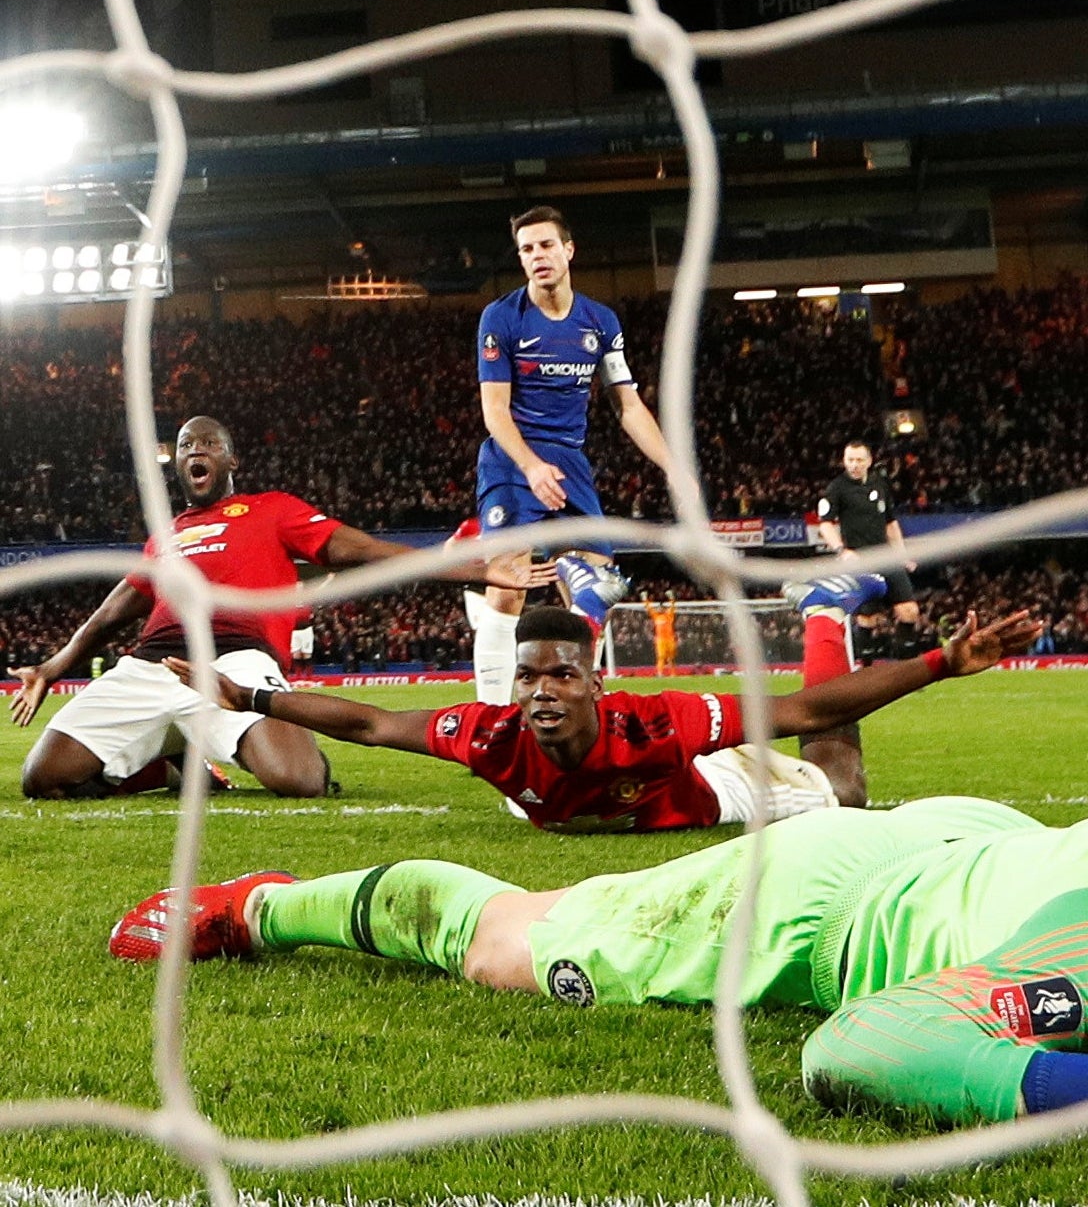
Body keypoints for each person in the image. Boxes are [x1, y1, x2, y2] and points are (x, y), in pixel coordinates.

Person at [110, 801, 1088, 1142]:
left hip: (988, 846)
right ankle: (258, 902)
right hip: (809, 903)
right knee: (519, 933)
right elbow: (860, 1043)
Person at [7, 416, 553, 801]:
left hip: (235, 661)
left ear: (230, 459)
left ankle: (216, 741)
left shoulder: (271, 510)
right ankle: (167, 766)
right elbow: (108, 616)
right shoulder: (165, 538)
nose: (195, 450)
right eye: (185, 445)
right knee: (43, 778)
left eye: (208, 443)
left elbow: (364, 551)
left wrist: (479, 569)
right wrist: (51, 668)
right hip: (152, 665)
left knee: (299, 782)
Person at [164, 600, 1040, 830]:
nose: (541, 690)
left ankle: (823, 617)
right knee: (518, 781)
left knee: (839, 782)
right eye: (527, 678)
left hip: (688, 797)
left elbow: (802, 705)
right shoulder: (491, 731)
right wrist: (251, 699)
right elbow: (366, 724)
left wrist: (937, 665)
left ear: (593, 684)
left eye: (561, 677)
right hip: (545, 791)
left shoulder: (660, 721)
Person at [470, 205, 674, 706]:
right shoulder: (501, 317)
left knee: (594, 587)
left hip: (571, 463)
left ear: (568, 250)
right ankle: (494, 722)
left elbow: (627, 403)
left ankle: (582, 710)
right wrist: (530, 466)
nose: (536, 256)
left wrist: (674, 467)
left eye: (545, 245)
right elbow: (495, 410)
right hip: (512, 460)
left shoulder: (600, 322)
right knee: (509, 586)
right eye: (526, 250)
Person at [817, 441, 922, 657]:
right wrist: (841, 551)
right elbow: (825, 523)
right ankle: (865, 668)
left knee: (910, 611)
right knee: (869, 619)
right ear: (844, 461)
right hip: (861, 561)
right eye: (850, 460)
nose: (854, 465)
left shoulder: (879, 484)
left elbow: (890, 523)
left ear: (869, 461)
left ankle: (905, 667)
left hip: (886, 557)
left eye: (859, 460)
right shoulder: (837, 488)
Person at [643, 590, 678, 677]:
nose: (659, 609)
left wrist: (671, 598)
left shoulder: (669, 615)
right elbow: (649, 608)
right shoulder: (655, 616)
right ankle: (660, 673)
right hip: (660, 640)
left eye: (661, 608)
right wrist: (645, 599)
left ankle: (673, 673)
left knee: (671, 658)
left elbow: (673, 607)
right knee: (661, 657)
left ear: (663, 609)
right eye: (658, 608)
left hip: (670, 638)